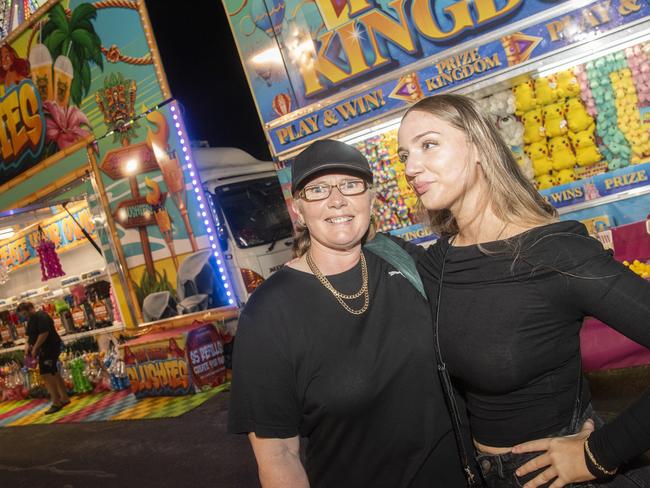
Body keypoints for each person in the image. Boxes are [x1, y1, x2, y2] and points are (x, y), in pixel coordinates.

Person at [397, 93, 650, 488]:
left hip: (557, 476)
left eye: (428, 145)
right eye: (403, 156)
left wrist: (601, 453)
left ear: (479, 147)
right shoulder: (436, 263)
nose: (411, 167)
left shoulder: (554, 253)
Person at [228, 139, 468, 487]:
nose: (337, 199)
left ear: (371, 197)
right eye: (318, 189)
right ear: (298, 209)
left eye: (351, 185)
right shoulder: (268, 313)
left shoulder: (403, 260)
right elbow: (279, 454)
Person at [18, 302, 70, 414]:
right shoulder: (31, 320)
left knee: (46, 374)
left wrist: (35, 347)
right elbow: (28, 336)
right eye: (22, 314)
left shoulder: (41, 316)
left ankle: (56, 402)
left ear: (31, 308)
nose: (24, 316)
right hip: (44, 349)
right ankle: (64, 398)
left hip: (50, 348)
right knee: (53, 372)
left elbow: (44, 333)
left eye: (25, 313)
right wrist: (27, 346)